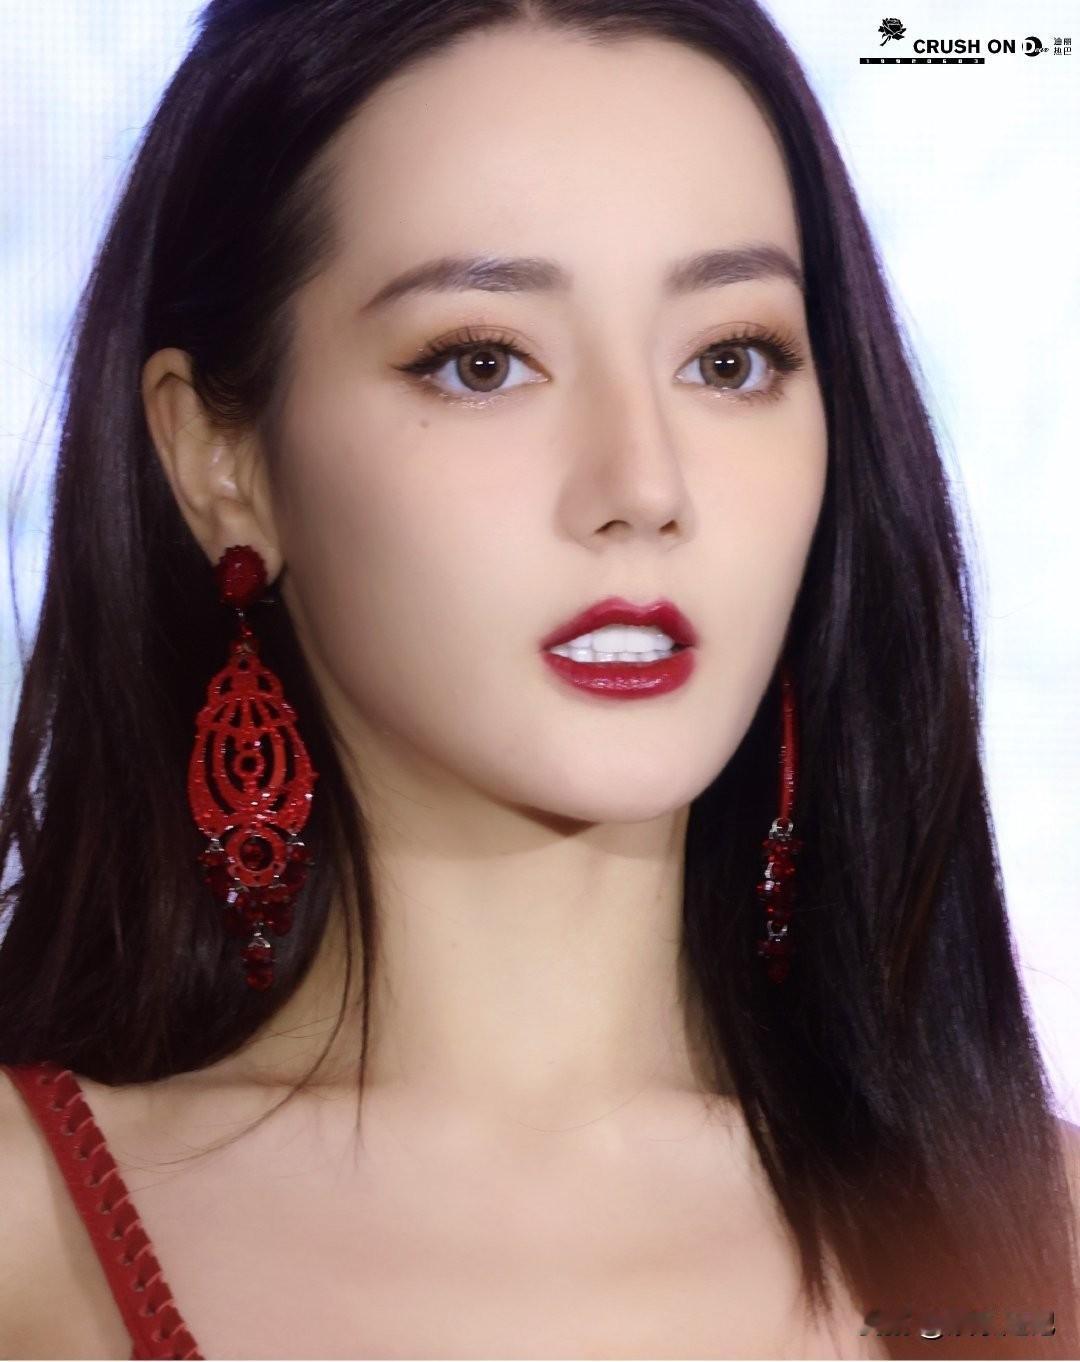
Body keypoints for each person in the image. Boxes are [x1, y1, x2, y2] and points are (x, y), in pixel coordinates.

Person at [0, 1, 1077, 1358]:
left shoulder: (1047, 1241)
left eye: (730, 360)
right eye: (484, 362)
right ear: (221, 458)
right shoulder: (28, 1227)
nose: (643, 483)